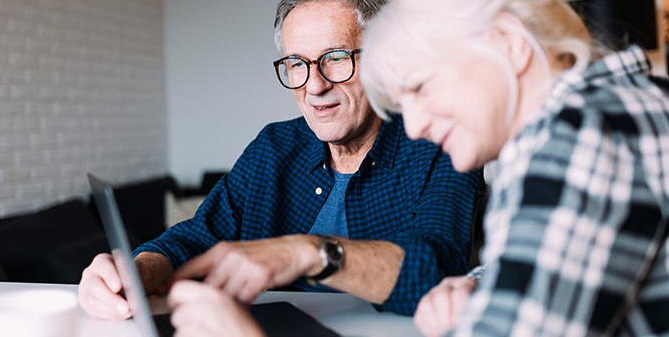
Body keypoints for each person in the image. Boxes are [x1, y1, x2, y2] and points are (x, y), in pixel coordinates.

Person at [78, 0, 484, 323]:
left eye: (336, 57)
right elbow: (198, 236)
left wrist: (306, 252)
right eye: (297, 64)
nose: (315, 86)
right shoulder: (275, 147)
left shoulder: (437, 139)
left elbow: (436, 268)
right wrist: (135, 271)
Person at [360, 0, 669, 335]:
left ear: (509, 42)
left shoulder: (574, 134)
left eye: (420, 87)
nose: (413, 128)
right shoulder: (624, 104)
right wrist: (485, 285)